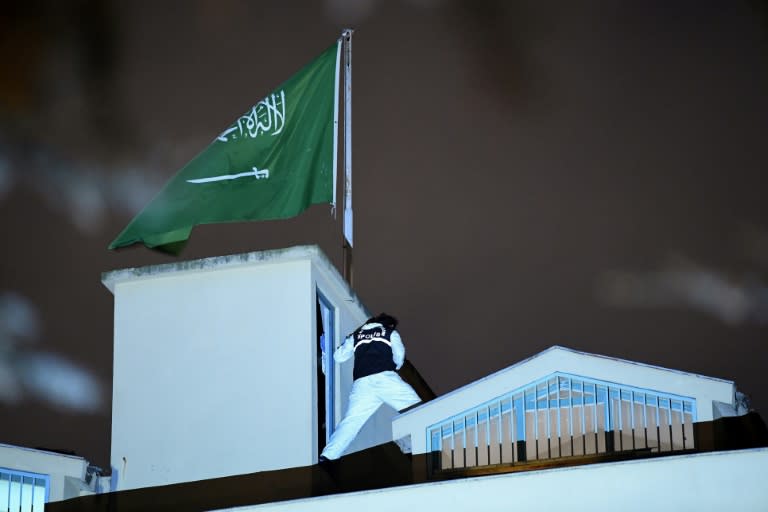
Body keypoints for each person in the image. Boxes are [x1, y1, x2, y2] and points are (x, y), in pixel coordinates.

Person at [319, 313, 421, 461]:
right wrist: (395, 366)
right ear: (389, 324)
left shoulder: (356, 335)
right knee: (418, 409)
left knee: (351, 422)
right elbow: (399, 356)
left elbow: (338, 357)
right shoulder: (389, 332)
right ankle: (417, 446)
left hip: (362, 385)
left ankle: (328, 456)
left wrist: (328, 350)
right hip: (385, 378)